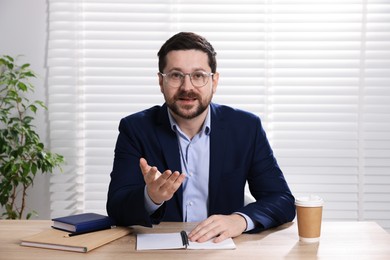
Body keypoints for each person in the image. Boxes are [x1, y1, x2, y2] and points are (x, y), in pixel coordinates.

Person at [107, 32, 296, 243]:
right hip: (160, 251)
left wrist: (239, 220)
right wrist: (151, 197)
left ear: (214, 81)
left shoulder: (246, 127)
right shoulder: (135, 129)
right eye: (176, 75)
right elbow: (116, 207)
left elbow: (282, 200)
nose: (187, 87)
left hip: (223, 250)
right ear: (161, 82)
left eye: (198, 75)